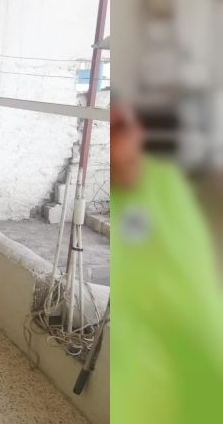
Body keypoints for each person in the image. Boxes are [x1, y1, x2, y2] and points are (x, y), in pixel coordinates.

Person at [110, 101, 223, 423]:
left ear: (139, 132)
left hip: (197, 338)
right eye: (112, 131)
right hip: (149, 361)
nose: (119, 143)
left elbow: (194, 265)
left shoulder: (165, 180)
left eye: (122, 128)